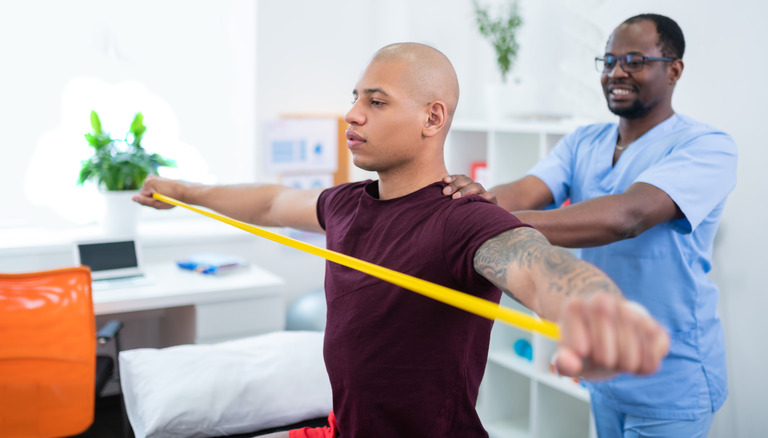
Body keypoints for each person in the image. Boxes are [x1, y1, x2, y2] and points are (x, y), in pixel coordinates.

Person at [134, 42, 669, 438]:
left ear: (431, 118)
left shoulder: (461, 217)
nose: (353, 113)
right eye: (355, 98)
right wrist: (185, 189)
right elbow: (272, 203)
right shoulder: (346, 203)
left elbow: (533, 263)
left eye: (377, 101)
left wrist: (593, 306)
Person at [443, 14, 737, 438]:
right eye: (608, 60)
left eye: (634, 61)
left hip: (672, 381)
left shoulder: (707, 146)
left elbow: (627, 217)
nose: (616, 73)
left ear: (674, 69)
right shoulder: (585, 141)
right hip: (604, 370)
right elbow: (526, 190)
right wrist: (469, 200)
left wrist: (482, 222)